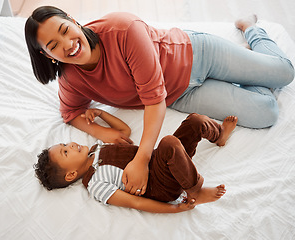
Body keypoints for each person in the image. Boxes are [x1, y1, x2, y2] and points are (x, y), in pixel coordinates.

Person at [25, 6, 294, 197]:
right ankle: (244, 64)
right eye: (53, 45)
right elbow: (70, 112)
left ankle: (250, 29)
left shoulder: (123, 29)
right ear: (46, 54)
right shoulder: (70, 78)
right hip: (180, 94)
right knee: (266, 112)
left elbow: (153, 103)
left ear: (73, 20)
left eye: (64, 30)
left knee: (285, 73)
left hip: (196, 54)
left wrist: (141, 159)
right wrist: (104, 133)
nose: (67, 44)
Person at [34, 108, 237, 213]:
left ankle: (218, 136)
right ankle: (195, 191)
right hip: (160, 185)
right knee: (168, 143)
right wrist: (175, 208)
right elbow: (135, 202)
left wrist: (102, 114)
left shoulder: (99, 146)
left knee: (195, 121)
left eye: (64, 144)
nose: (70, 145)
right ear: (71, 174)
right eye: (66, 153)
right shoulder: (95, 183)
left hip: (163, 160)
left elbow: (125, 131)